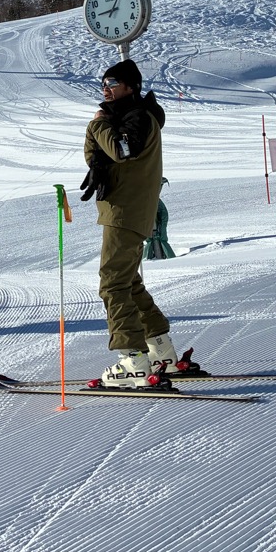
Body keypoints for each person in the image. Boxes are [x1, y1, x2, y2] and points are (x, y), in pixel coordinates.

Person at [82, 59, 176, 387]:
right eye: (103, 83)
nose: (105, 88)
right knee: (129, 282)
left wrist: (97, 126)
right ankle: (161, 351)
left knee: (112, 283)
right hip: (128, 210)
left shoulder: (137, 118)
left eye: (112, 82)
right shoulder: (131, 116)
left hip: (126, 211)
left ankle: (133, 361)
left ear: (131, 86)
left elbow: (122, 150)